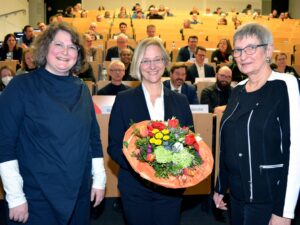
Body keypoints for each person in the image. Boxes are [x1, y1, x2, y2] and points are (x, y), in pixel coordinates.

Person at [0, 22, 106, 225]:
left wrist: (99, 180)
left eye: (72, 47)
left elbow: (93, 138)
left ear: (78, 53)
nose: (65, 52)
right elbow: (5, 145)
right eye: (59, 44)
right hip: (35, 195)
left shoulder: (82, 89)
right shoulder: (21, 86)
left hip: (78, 191)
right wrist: (15, 196)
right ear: (45, 47)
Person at [213, 22, 300, 225]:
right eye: (238, 50)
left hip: (268, 198)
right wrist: (220, 186)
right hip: (237, 195)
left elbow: (295, 150)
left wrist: (284, 211)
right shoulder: (237, 90)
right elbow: (227, 143)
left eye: (251, 48)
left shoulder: (286, 85)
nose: (243, 56)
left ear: (268, 50)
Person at [108, 38, 193, 225]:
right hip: (135, 187)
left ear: (165, 62)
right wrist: (140, 166)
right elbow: (114, 146)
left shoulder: (181, 101)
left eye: (157, 59)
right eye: (145, 60)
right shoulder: (124, 100)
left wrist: (176, 167)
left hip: (170, 189)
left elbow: (190, 145)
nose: (152, 66)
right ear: (138, 64)